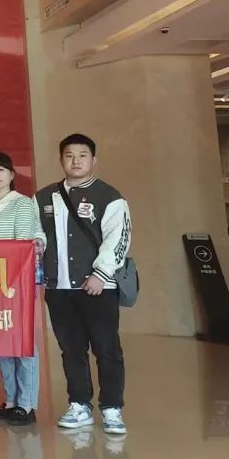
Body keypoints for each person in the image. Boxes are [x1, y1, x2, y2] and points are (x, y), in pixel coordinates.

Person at [36, 134, 131, 435]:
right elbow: (36, 234)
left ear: (93, 160)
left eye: (82, 155)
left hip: (98, 287)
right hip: (58, 288)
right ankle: (79, 404)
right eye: (69, 155)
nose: (75, 161)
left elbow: (119, 238)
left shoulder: (109, 196)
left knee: (107, 349)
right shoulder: (43, 197)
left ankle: (112, 407)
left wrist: (101, 274)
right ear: (61, 159)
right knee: (71, 349)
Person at [0, 152, 45, 426]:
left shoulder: (22, 204)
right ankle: (11, 401)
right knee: (2, 342)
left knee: (23, 341)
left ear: (12, 174)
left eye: (1, 169)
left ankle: (27, 404)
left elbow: (23, 245)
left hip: (17, 283)